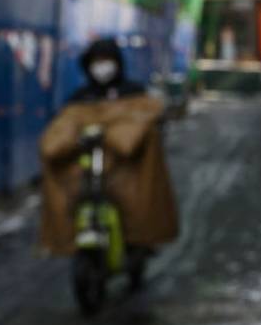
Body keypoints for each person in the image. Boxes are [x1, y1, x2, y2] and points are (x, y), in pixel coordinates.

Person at [38, 38, 178, 268]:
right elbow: (61, 132)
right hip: (89, 166)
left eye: (107, 61)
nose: (102, 67)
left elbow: (141, 123)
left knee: (137, 199)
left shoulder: (133, 93)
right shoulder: (80, 98)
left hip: (124, 167)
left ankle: (138, 244)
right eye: (97, 62)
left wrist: (119, 135)